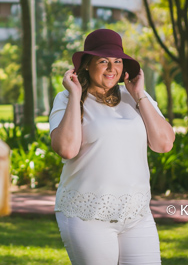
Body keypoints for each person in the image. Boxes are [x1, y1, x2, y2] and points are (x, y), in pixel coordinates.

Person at [49, 28, 175, 265]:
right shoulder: (67, 99)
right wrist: (76, 95)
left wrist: (139, 95)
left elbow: (164, 144)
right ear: (86, 64)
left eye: (117, 61)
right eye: (103, 61)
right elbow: (66, 148)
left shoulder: (136, 97)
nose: (111, 68)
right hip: (86, 215)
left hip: (136, 214)